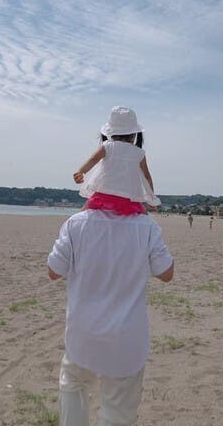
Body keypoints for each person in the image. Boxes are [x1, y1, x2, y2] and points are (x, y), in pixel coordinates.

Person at [48, 107, 174, 426]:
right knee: (118, 410)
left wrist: (80, 176)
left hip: (83, 335)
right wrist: (150, 201)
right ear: (135, 136)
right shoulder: (146, 228)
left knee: (73, 384)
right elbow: (166, 273)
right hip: (127, 340)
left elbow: (53, 271)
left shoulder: (76, 224)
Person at [73, 106, 161, 214]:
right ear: (134, 134)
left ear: (111, 131)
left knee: (81, 216)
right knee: (146, 220)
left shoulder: (107, 146)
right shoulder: (139, 153)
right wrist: (151, 200)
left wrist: (81, 172)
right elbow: (147, 177)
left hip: (103, 195)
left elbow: (93, 159)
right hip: (128, 198)